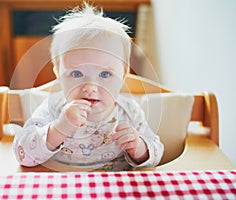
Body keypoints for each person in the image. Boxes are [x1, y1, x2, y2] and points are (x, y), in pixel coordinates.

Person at [13, 2, 164, 171]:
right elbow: (22, 153)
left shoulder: (129, 111)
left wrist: (139, 147)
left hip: (115, 190)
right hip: (62, 188)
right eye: (76, 74)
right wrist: (59, 128)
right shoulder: (52, 110)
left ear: (122, 75)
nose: (90, 87)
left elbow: (157, 151)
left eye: (105, 74)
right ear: (58, 73)